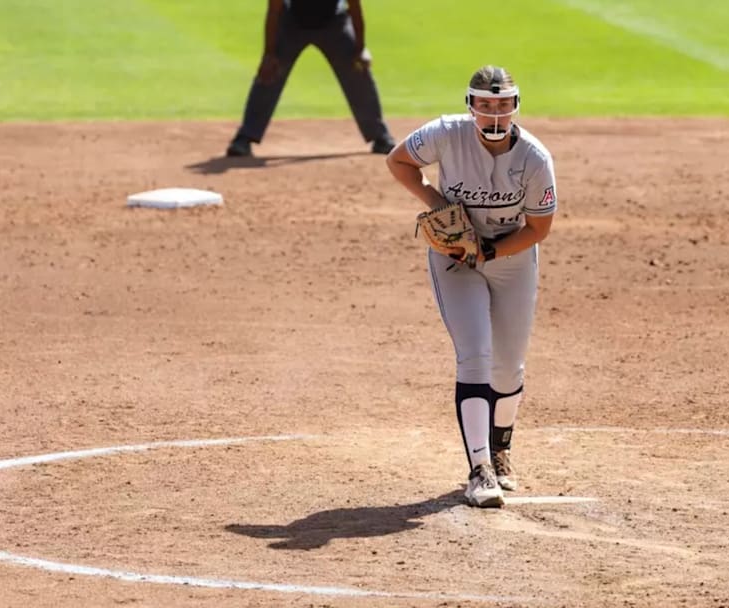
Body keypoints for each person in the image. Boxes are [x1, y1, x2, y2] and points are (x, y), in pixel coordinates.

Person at [385, 65, 558, 508]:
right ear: (470, 106)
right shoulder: (446, 134)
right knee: (475, 355)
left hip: (512, 259)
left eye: (503, 105)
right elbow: (398, 161)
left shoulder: (535, 158)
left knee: (509, 366)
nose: (494, 114)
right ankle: (479, 469)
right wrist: (438, 203)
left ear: (515, 106)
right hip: (454, 260)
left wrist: (489, 251)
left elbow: (538, 228)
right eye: (485, 105)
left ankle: (500, 449)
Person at [226, 0, 395, 157]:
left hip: (334, 23)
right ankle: (245, 136)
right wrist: (269, 54)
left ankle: (380, 136)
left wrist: (360, 49)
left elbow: (355, 8)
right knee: (271, 71)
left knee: (357, 71)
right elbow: (274, 10)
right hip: (292, 22)